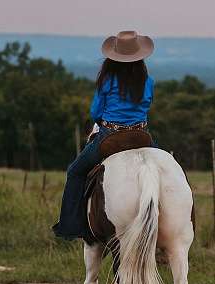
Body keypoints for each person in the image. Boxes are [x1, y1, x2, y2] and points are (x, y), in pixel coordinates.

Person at [52, 30, 156, 242]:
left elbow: (95, 113)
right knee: (166, 168)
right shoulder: (147, 81)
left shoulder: (107, 80)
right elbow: (147, 106)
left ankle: (71, 225)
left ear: (114, 57)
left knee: (75, 172)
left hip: (111, 137)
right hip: (142, 135)